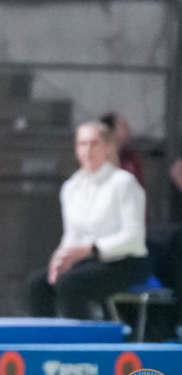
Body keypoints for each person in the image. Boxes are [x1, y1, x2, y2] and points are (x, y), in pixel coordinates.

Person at [27, 121, 149, 319]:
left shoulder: (124, 183)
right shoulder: (71, 187)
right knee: (38, 285)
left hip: (124, 262)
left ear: (107, 147)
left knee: (70, 285)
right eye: (82, 144)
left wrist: (91, 249)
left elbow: (134, 237)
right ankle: (46, 337)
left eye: (94, 144)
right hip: (87, 263)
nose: (88, 150)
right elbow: (72, 235)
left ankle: (81, 337)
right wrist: (59, 259)